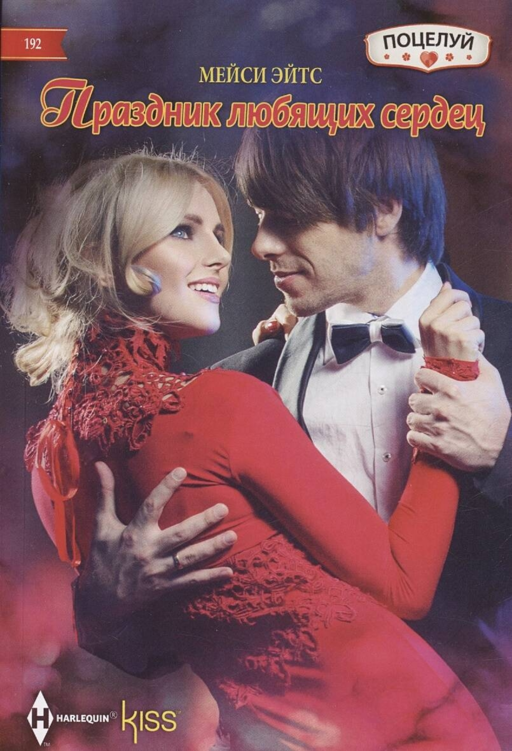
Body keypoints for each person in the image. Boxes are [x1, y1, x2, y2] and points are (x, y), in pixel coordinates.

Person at [5, 151, 500, 750]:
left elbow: (163, 643)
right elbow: (400, 587)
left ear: (382, 212)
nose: (234, 252)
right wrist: (450, 381)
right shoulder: (233, 393)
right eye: (185, 231)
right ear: (103, 256)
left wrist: (100, 611)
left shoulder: (50, 463)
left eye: (221, 232)